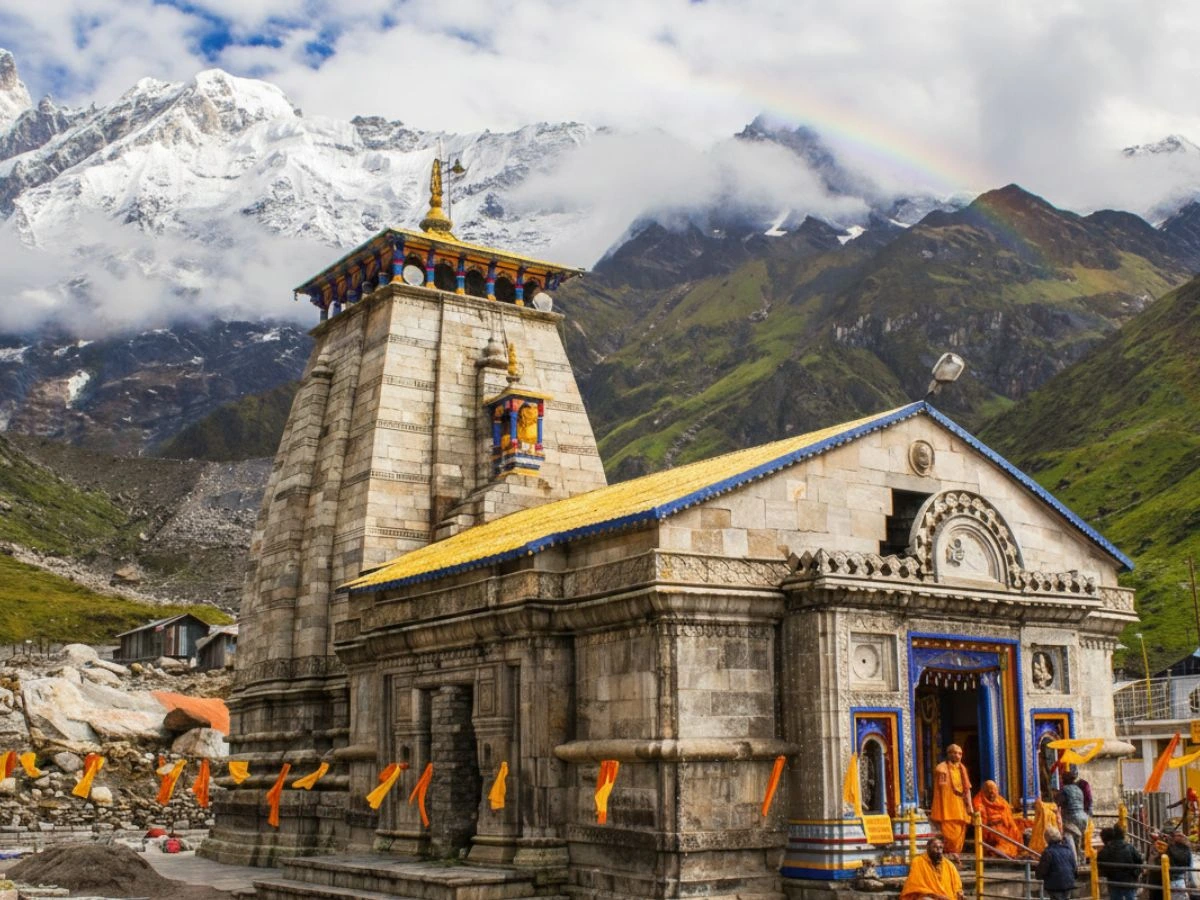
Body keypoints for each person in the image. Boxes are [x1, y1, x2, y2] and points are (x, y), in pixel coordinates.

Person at [931, 744, 973, 856]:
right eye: (954, 753)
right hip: (947, 806)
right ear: (948, 754)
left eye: (960, 753)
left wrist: (970, 806)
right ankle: (951, 855)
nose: (957, 755)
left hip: (961, 806)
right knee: (950, 834)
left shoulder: (962, 769)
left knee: (961, 832)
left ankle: (956, 855)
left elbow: (967, 788)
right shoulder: (941, 768)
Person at [973, 779, 1025, 858]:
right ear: (984, 792)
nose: (992, 795)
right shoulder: (979, 802)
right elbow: (982, 822)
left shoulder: (1001, 801)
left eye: (994, 792)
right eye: (989, 793)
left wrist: (1011, 826)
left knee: (1016, 830)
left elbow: (1008, 817)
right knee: (1005, 844)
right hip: (991, 831)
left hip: (1004, 828)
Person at [1096, 824, 1144, 900]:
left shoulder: (1106, 849)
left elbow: (1100, 863)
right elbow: (1140, 861)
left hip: (1114, 882)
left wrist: (1107, 874)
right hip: (1129, 881)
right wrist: (1135, 873)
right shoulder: (1130, 847)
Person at [1037, 826, 1079, 900]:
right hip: (1068, 882)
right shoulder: (1068, 849)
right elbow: (1074, 867)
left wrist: (1039, 876)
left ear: (1047, 839)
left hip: (1054, 884)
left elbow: (1042, 870)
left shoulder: (1048, 852)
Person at [1056, 769, 1089, 856]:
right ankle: (1079, 859)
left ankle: (1073, 861)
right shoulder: (1078, 789)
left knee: (1071, 842)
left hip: (1071, 818)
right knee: (1079, 842)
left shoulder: (1065, 790)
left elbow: (1059, 803)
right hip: (1083, 818)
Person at [1168, 829, 1193, 900]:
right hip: (1178, 878)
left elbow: (1187, 864)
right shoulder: (1185, 847)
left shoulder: (1180, 848)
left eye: (1178, 835)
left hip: (1177, 878)